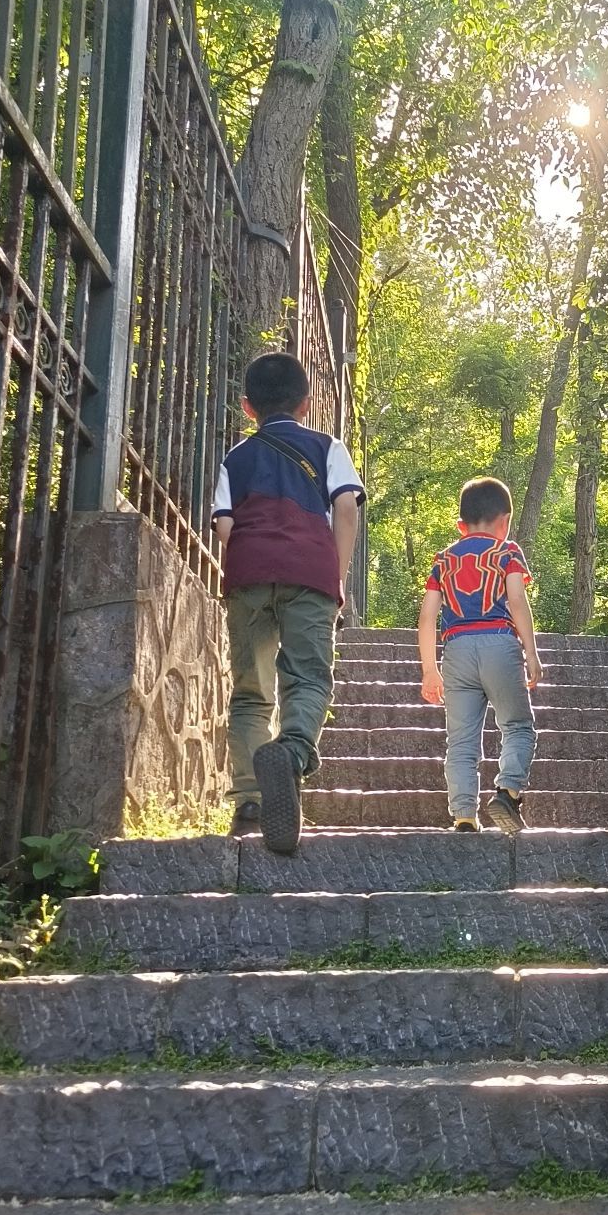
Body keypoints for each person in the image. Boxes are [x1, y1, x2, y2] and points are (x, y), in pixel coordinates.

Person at [212, 351, 364, 855]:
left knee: (251, 692)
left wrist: (243, 577)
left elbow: (225, 527)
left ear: (248, 408)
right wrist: (335, 577)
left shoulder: (235, 458)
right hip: (310, 574)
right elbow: (345, 507)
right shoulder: (328, 446)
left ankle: (252, 801)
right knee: (308, 678)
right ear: (305, 403)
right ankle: (294, 751)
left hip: (249, 574)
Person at [417, 477, 542, 835]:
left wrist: (430, 669)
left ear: (461, 525)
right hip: (499, 643)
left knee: (461, 739)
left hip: (456, 650)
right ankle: (507, 791)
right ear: (504, 522)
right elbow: (517, 601)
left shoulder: (443, 560)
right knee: (517, 725)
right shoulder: (508, 552)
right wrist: (531, 653)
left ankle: (464, 815)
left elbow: (427, 617)